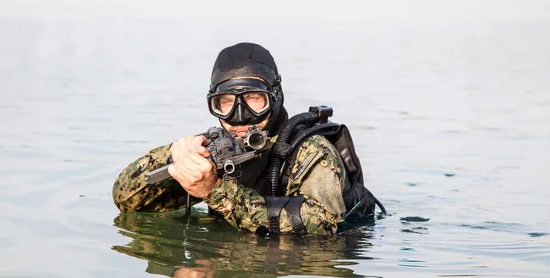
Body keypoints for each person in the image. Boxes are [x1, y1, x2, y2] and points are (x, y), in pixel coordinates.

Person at [112, 42, 384, 235]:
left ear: (274, 97)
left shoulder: (311, 151)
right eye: (225, 103)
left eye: (254, 100)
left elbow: (323, 226)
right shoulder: (218, 149)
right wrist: (172, 154)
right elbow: (127, 202)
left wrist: (214, 191)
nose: (240, 116)